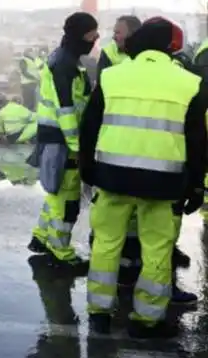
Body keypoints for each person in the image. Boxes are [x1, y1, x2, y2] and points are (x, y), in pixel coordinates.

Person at [79, 18, 207, 338]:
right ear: (171, 47)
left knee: (106, 245)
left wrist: (87, 169)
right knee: (157, 250)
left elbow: (89, 125)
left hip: (111, 178)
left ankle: (99, 313)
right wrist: (196, 184)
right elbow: (197, 140)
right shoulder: (190, 82)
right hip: (164, 183)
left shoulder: (110, 76)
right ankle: (146, 319)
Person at [28, 12, 99, 273]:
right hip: (62, 139)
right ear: (81, 35)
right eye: (93, 34)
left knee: (56, 192)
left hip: (56, 137)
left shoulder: (66, 59)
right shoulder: (65, 65)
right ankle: (61, 251)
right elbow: (66, 109)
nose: (96, 39)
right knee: (67, 199)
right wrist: (77, 147)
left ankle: (41, 236)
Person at [96, 14, 141, 79]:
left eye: (117, 33)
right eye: (114, 32)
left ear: (133, 34)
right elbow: (101, 84)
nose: (113, 37)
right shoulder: (108, 52)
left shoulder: (147, 53)